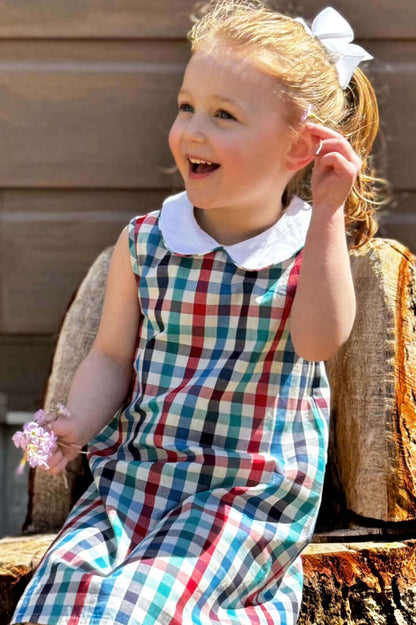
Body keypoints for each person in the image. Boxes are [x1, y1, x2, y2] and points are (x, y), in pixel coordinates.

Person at [12, 1, 384, 623]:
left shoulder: (304, 251)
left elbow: (320, 342)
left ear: (301, 146)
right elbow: (110, 356)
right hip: (137, 481)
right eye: (186, 106)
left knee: (139, 606)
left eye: (223, 114)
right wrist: (74, 420)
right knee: (68, 590)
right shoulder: (147, 241)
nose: (192, 130)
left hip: (244, 499)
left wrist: (326, 214)